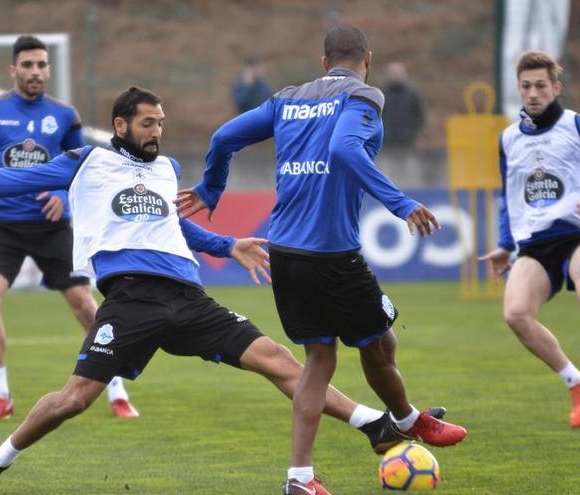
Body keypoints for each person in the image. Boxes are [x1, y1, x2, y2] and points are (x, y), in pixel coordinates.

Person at [0, 86, 446, 495]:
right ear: (121, 124)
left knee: (276, 359)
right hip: (130, 300)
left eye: (162, 122)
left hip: (187, 297)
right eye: (149, 123)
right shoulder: (88, 162)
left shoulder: (166, 170)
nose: (158, 131)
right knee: (74, 399)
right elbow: (9, 180)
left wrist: (228, 246)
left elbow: (174, 226)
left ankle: (373, 424)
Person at [176, 25, 466, 495]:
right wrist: (401, 204)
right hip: (332, 253)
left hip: (285, 251)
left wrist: (212, 188)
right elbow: (345, 148)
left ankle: (300, 478)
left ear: (323, 59)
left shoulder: (287, 98)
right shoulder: (365, 96)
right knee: (379, 342)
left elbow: (224, 136)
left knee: (321, 358)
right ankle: (408, 420)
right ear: (367, 59)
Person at [0, 35, 137, 422]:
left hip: (52, 227)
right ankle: (0, 395)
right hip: (3, 226)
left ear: (49, 70)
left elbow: (86, 171)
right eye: (27, 65)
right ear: (13, 70)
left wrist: (63, 198)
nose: (35, 72)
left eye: (41, 65)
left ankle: (115, 388)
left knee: (86, 306)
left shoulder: (64, 116)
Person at [479, 50, 580, 428]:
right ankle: (577, 382)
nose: (532, 93)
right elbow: (509, 197)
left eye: (540, 86)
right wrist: (505, 244)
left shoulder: (579, 126)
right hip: (535, 244)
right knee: (515, 315)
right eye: (525, 86)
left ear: (555, 87)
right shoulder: (508, 139)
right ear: (519, 89)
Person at [379, 61, 425, 148]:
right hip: (385, 140)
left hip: (408, 139)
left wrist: (412, 132)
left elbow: (419, 115)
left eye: (398, 73)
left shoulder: (413, 94)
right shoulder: (381, 94)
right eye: (393, 73)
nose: (396, 76)